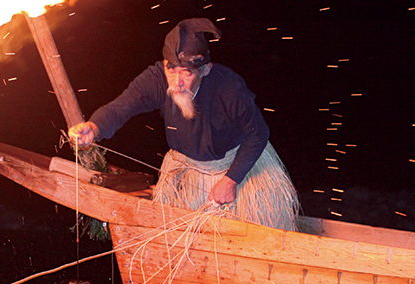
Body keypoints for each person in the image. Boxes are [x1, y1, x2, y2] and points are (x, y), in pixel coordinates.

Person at [68, 18, 299, 230]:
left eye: (186, 73)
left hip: (237, 165)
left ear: (205, 70)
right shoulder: (156, 80)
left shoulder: (230, 88)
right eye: (171, 70)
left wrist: (231, 180)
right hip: (186, 169)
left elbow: (258, 134)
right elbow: (121, 107)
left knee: (251, 233)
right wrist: (94, 127)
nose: (176, 82)